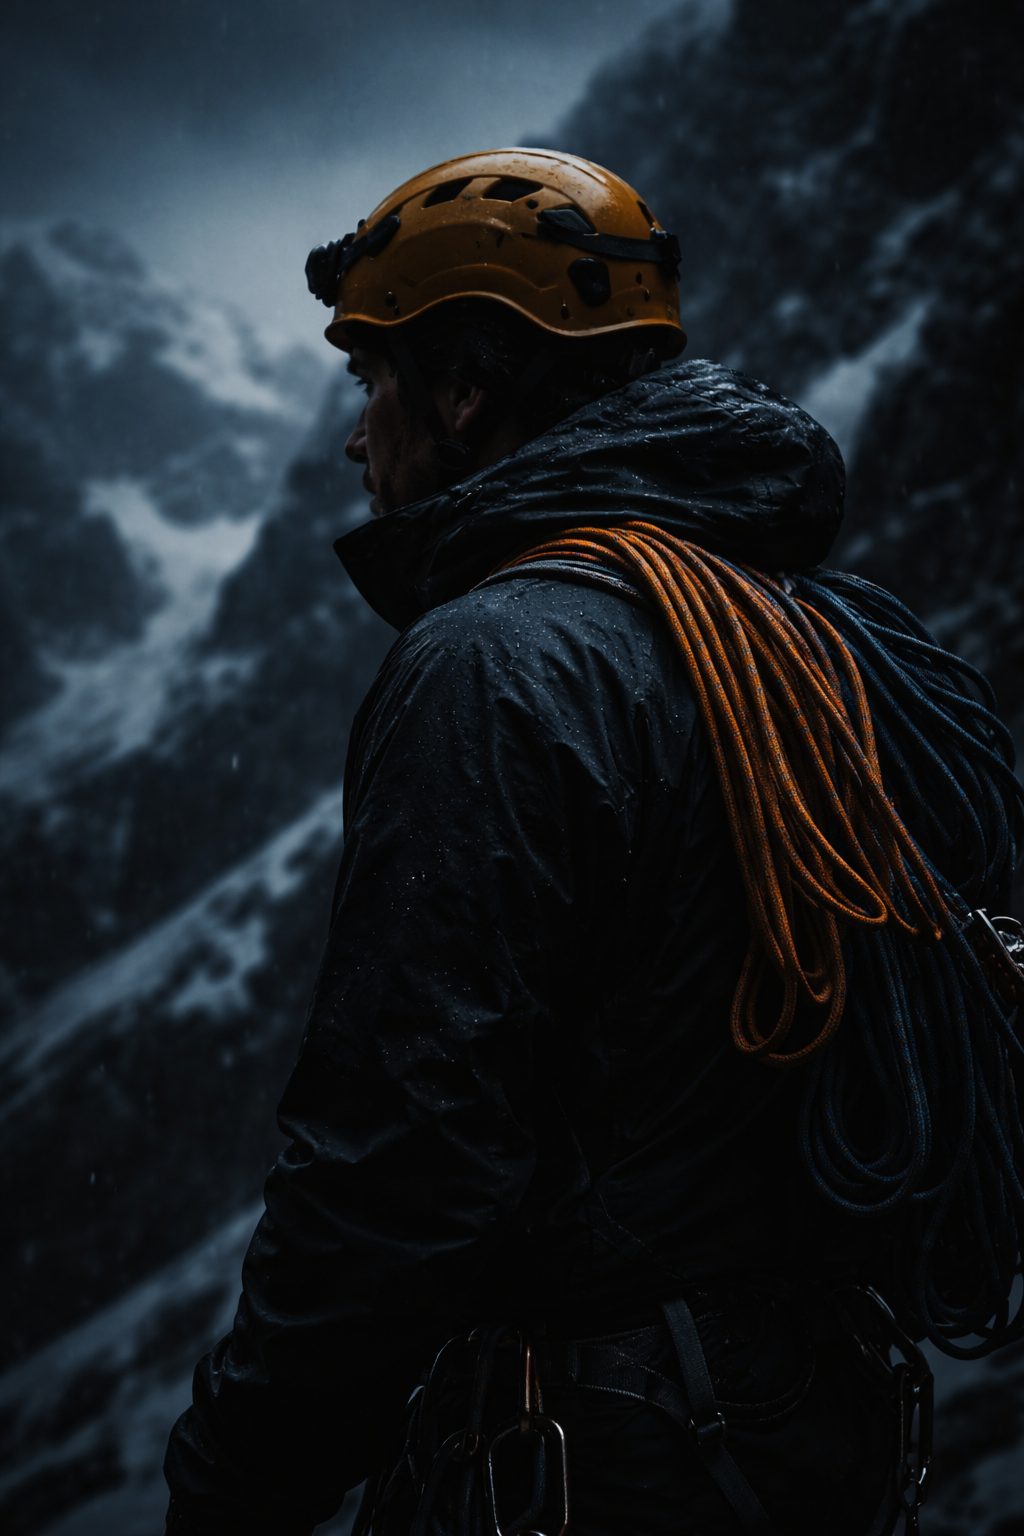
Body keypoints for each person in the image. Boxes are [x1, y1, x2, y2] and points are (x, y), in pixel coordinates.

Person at [164, 149, 1024, 1535]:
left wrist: (234, 1481)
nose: (354, 436)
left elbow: (399, 1156)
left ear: (465, 390)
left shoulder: (494, 666)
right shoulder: (825, 631)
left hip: (592, 1457)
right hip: (816, 1424)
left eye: (373, 382)